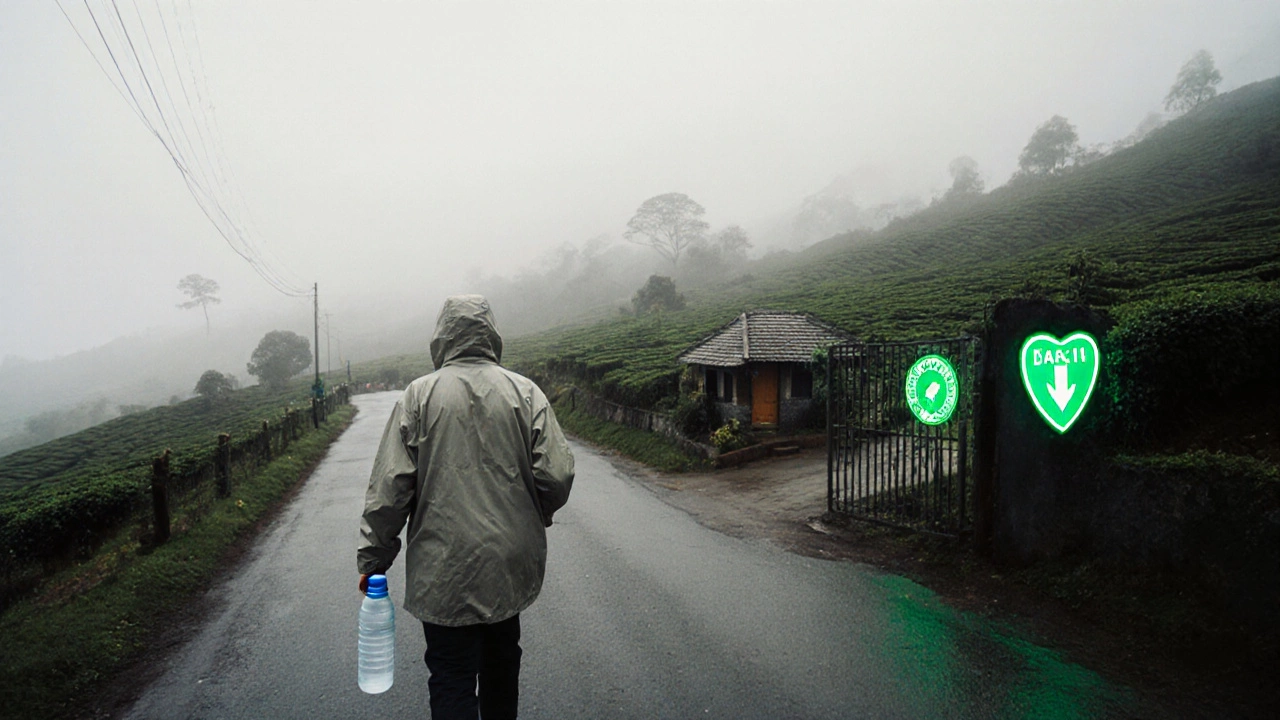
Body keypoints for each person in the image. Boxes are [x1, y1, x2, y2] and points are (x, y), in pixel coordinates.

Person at [357, 294, 575, 720]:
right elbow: (557, 474)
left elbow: (390, 490)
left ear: (442, 336)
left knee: (451, 674)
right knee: (501, 665)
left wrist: (374, 559)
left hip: (444, 566)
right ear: (491, 334)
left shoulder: (418, 396)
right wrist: (535, 513)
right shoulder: (524, 391)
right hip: (507, 562)